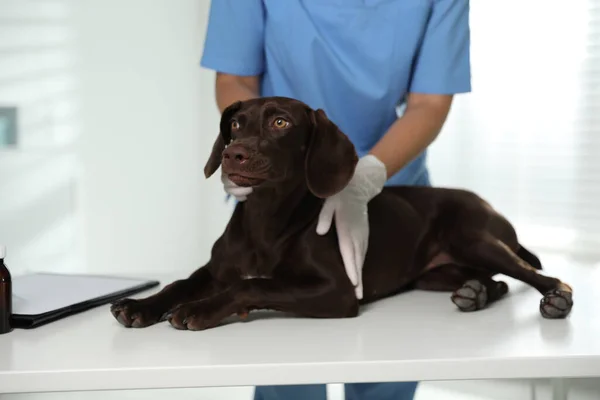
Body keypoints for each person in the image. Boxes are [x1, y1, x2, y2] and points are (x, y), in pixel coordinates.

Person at [200, 1, 471, 399]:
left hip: (387, 189)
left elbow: (428, 104)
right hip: (282, 193)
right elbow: (235, 81)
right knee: (287, 368)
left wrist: (364, 178)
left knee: (384, 368)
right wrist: (247, 148)